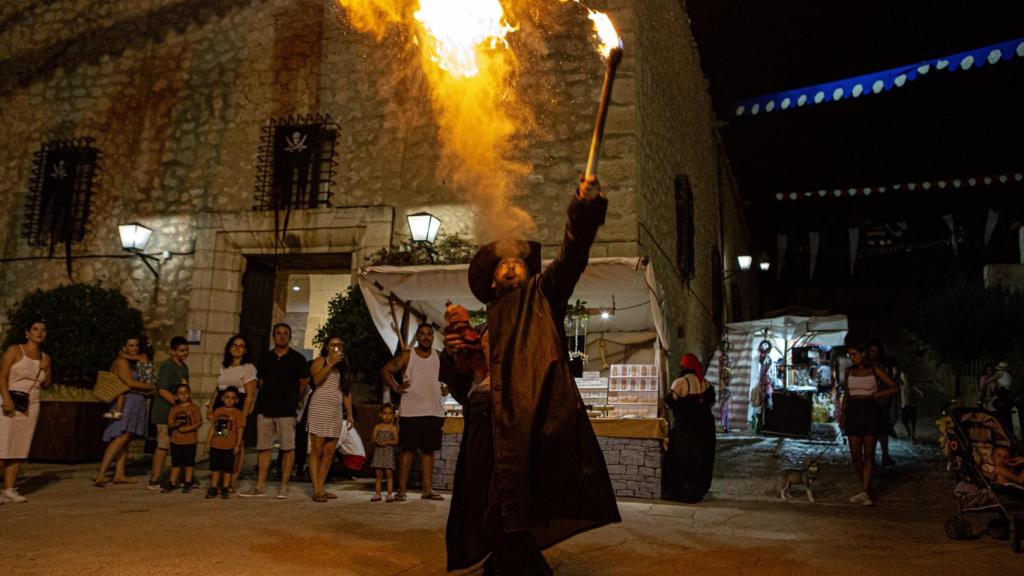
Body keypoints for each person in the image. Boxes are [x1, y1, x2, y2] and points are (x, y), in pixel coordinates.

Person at [442, 176, 620, 575]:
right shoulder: (483, 329)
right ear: (492, 281)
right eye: (504, 264)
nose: (511, 267)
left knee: (512, 499)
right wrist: (455, 358)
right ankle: (508, 561)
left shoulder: (544, 296)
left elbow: (573, 255)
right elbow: (461, 388)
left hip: (523, 418)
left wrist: (583, 210)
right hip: (483, 420)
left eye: (517, 264)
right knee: (484, 498)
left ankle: (516, 565)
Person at [240, 323, 309, 499]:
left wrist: (292, 400)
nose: (282, 336)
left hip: (287, 410)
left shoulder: (298, 359)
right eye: (278, 333)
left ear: (290, 336)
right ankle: (260, 485)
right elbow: (261, 381)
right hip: (265, 408)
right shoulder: (265, 358)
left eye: (285, 333)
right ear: (273, 336)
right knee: (264, 447)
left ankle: (284, 486)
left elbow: (303, 384)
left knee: (287, 447)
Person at [380, 323, 447, 501]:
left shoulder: (439, 356)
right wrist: (395, 387)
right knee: (407, 451)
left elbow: (451, 375)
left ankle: (427, 490)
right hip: (410, 411)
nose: (426, 337)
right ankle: (401, 490)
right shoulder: (407, 355)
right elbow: (386, 370)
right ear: (417, 337)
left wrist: (448, 388)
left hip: (434, 411)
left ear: (433, 337)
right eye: (422, 334)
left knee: (428, 451)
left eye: (429, 334)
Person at [840, 343, 899, 506]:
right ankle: (865, 487)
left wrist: (878, 394)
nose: (852, 358)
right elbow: (847, 394)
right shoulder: (849, 371)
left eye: (854, 354)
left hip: (870, 411)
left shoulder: (875, 370)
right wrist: (842, 414)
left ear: (863, 354)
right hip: (853, 411)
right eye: (850, 355)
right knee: (855, 455)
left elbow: (894, 388)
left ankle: (865, 490)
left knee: (869, 453)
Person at [0, 320, 52, 503]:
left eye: (43, 330)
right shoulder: (15, 350)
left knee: (20, 446)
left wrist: (47, 369)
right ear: (27, 332)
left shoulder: (45, 357)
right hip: (9, 399)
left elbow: (46, 385)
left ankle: (9, 488)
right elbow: (2, 376)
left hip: (31, 402)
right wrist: (6, 398)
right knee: (3, 445)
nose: (39, 333)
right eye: (35, 329)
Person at [94, 336, 155, 486]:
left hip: (136, 402)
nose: (134, 349)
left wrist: (143, 361)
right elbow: (130, 383)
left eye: (136, 346)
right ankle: (101, 473)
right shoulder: (121, 362)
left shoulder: (134, 362)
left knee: (126, 439)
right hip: (126, 402)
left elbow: (147, 379)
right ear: (124, 347)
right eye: (130, 346)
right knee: (120, 436)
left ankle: (120, 474)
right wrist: (152, 387)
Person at [662, 353, 716, 503]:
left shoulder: (680, 383)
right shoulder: (707, 383)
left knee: (680, 457)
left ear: (684, 367)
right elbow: (711, 404)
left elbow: (668, 403)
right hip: (705, 427)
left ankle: (680, 492)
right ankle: (697, 491)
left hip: (685, 428)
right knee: (700, 458)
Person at [306, 335, 353, 502]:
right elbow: (316, 380)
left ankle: (321, 487)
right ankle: (316, 489)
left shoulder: (344, 366)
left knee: (329, 451)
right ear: (327, 347)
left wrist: (350, 414)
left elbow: (346, 392)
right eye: (333, 345)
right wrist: (331, 363)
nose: (336, 347)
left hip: (335, 411)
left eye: (339, 344)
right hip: (319, 409)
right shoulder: (321, 361)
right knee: (317, 450)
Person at [208, 334, 257, 490]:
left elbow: (250, 394)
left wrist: (244, 414)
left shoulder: (248, 368)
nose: (237, 348)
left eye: (241, 345)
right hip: (222, 406)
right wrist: (210, 406)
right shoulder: (225, 366)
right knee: (222, 440)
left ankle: (231, 480)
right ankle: (220, 479)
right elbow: (218, 389)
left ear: (245, 350)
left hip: (237, 406)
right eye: (234, 345)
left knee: (235, 444)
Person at [148, 336, 190, 490]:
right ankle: (154, 478)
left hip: (177, 413)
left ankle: (177, 477)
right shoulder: (168, 367)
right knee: (163, 445)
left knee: (178, 446)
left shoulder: (183, 368)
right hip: (165, 412)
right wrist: (177, 403)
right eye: (181, 350)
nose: (185, 353)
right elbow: (162, 389)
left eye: (186, 350)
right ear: (173, 351)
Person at [207, 386, 245, 499]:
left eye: (232, 398)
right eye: (227, 397)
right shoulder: (218, 411)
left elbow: (240, 429)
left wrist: (237, 445)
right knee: (215, 467)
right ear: (223, 398)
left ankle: (225, 487)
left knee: (228, 468)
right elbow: (213, 427)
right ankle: (213, 487)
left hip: (229, 446)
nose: (229, 400)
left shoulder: (238, 413)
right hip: (216, 444)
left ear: (236, 400)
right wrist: (208, 442)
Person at [164, 383, 201, 493]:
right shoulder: (174, 409)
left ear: (189, 394)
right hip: (176, 441)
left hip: (190, 440)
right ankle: (172, 482)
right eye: (180, 393)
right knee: (176, 463)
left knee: (189, 463)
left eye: (185, 393)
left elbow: (199, 422)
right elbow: (170, 423)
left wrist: (188, 428)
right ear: (176, 396)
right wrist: (175, 424)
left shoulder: (194, 408)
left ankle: (188, 482)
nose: (183, 395)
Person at [867, 340, 897, 467]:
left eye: (876, 351)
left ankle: (885, 454)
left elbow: (891, 382)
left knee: (883, 430)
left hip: (883, 401)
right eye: (872, 351)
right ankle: (870, 458)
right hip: (868, 400)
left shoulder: (883, 366)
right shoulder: (865, 366)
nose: (874, 354)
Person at [370, 403, 399, 502]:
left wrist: (387, 442)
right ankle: (377, 494)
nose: (387, 416)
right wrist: (377, 441)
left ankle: (389, 494)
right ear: (380, 414)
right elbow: (373, 439)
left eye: (390, 413)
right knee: (378, 474)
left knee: (389, 474)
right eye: (385, 413)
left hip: (388, 453)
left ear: (393, 415)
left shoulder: (393, 428)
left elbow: (396, 440)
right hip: (378, 452)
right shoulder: (377, 427)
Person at [899, 373, 923, 444]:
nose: (905, 377)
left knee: (913, 423)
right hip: (904, 406)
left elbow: (919, 391)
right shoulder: (901, 387)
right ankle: (908, 431)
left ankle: (912, 438)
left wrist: (922, 394)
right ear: (901, 378)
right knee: (904, 422)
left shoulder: (912, 386)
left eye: (906, 376)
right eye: (903, 376)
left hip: (912, 406)